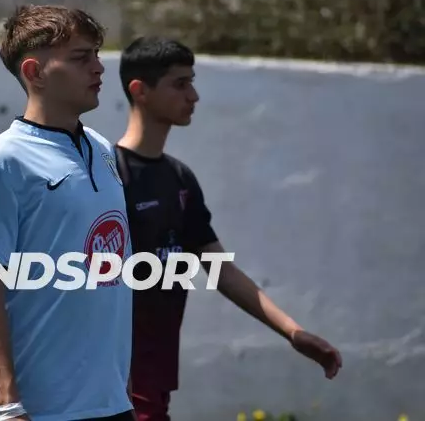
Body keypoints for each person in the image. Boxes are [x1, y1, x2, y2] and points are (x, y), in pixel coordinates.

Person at [114, 36, 343, 421]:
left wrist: (293, 332)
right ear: (141, 91)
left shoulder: (179, 178)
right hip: (115, 384)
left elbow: (222, 271)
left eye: (192, 82)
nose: (194, 96)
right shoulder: (107, 177)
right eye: (180, 84)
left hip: (156, 380)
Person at [0, 4, 135, 421]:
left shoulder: (101, 148)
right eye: (80, 58)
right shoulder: (3, 162)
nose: (98, 68)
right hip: (38, 410)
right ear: (34, 72)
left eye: (96, 54)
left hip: (108, 403)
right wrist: (6, 405)